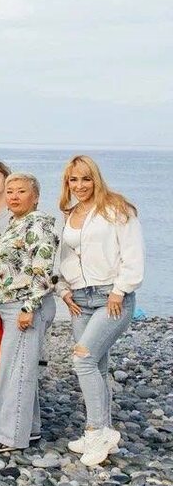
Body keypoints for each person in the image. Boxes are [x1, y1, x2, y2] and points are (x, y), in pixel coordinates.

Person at [57, 155, 144, 467]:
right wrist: (63, 289)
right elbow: (64, 257)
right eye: (74, 180)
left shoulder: (116, 208)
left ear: (96, 178)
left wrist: (121, 289)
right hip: (79, 299)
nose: (80, 185)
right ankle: (103, 429)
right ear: (67, 183)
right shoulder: (70, 213)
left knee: (82, 359)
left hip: (111, 298)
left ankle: (96, 432)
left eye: (86, 178)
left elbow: (133, 253)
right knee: (97, 365)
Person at [0, 173, 59, 454]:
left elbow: (43, 269)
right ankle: (30, 428)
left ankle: (9, 436)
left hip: (25, 306)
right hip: (10, 307)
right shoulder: (15, 223)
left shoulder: (38, 224)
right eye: (10, 191)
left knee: (15, 372)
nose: (14, 196)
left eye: (21, 191)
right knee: (21, 367)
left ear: (35, 196)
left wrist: (29, 307)